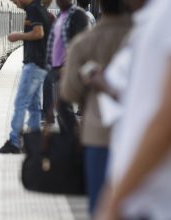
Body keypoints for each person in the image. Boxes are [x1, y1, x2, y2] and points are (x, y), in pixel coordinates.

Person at [92, 0, 171, 219]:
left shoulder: (166, 15)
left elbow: (166, 120)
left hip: (151, 207)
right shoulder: (152, 18)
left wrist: (114, 201)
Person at [59, 0, 130, 216]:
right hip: (139, 136)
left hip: (99, 137)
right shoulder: (144, 37)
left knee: (100, 207)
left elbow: (69, 92)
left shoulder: (83, 43)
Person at [0, 0, 51, 154]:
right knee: (34, 107)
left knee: (20, 102)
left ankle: (14, 141)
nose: (15, 3)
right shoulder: (40, 9)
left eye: (15, 0)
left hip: (33, 65)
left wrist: (17, 36)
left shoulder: (34, 9)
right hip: (40, 65)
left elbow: (38, 33)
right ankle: (34, 143)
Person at [42, 0, 88, 123]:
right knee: (62, 106)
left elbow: (80, 42)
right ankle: (66, 131)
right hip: (55, 66)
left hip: (65, 67)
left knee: (63, 105)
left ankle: (71, 134)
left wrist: (70, 64)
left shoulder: (78, 15)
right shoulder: (60, 16)